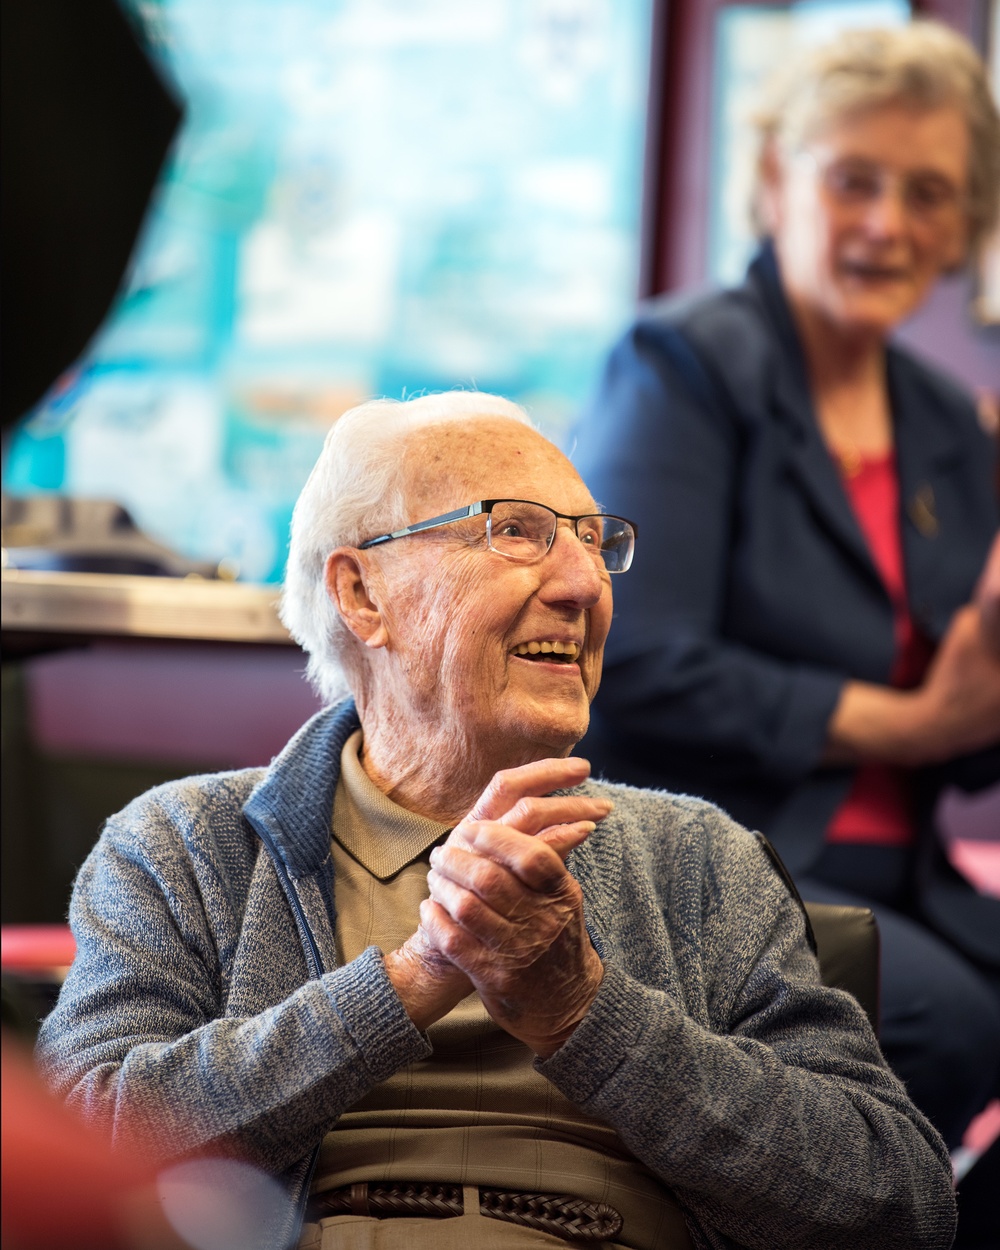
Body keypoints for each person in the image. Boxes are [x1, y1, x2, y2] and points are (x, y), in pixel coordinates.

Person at [36, 391, 954, 1250]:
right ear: (362, 596)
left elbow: (897, 1198)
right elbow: (86, 1143)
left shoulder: (700, 859)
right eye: (517, 532)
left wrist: (584, 1013)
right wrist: (415, 976)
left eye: (596, 542)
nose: (584, 584)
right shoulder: (186, 844)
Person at [569, 19, 1000, 1190]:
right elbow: (638, 658)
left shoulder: (948, 423)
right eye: (851, 179)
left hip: (904, 874)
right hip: (708, 864)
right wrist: (909, 723)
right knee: (951, 1021)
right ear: (772, 181)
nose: (887, 224)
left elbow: (969, 734)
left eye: (928, 194)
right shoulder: (683, 365)